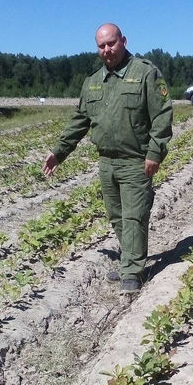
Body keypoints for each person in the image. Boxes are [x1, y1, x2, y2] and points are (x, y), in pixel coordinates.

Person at [42, 23, 173, 292]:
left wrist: (155, 153)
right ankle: (131, 261)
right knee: (117, 217)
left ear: (123, 41)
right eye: (101, 46)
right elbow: (79, 121)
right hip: (107, 162)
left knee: (134, 217)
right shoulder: (92, 82)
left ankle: (132, 273)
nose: (107, 50)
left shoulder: (145, 73)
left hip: (136, 160)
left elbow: (162, 115)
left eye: (111, 44)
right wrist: (59, 152)